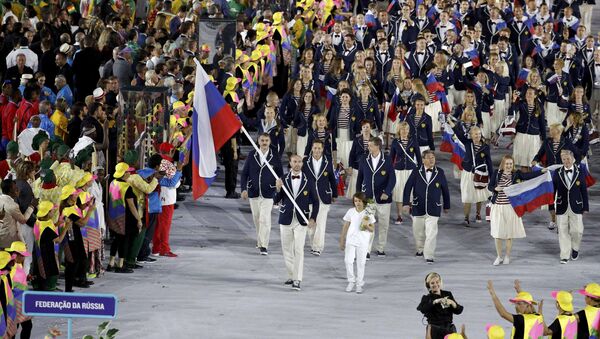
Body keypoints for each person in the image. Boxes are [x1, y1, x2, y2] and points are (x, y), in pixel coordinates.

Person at [488, 155, 545, 265]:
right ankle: (499, 256)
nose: (509, 166)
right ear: (503, 164)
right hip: (498, 207)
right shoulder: (496, 173)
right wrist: (495, 188)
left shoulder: (516, 174)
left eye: (511, 164)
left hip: (511, 208)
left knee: (509, 234)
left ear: (513, 165)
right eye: (507, 163)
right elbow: (490, 186)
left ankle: (507, 256)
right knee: (497, 233)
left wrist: (542, 171)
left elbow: (529, 175)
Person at [274, 155, 319, 291]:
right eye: (295, 162)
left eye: (299, 162)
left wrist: (313, 218)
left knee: (298, 249)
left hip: (301, 220)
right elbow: (276, 200)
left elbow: (316, 202)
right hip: (285, 218)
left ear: (302, 163)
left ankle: (297, 279)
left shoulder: (309, 181)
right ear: (290, 163)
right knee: (287, 249)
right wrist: (277, 189)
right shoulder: (283, 179)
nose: (297, 164)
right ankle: (291, 274)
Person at [240, 134, 284, 255]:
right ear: (258, 141)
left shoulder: (274, 156)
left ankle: (264, 246)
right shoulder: (251, 155)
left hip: (269, 193)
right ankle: (260, 241)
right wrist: (243, 189)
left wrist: (280, 184)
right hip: (253, 192)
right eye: (262, 140)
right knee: (257, 219)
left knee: (265, 219)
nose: (264, 142)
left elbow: (280, 174)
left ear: (270, 142)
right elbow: (244, 174)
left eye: (266, 140)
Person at [403, 150, 450, 264]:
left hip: (434, 208)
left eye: (433, 157)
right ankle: (420, 249)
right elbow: (407, 187)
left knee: (431, 233)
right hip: (418, 207)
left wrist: (446, 205)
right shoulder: (416, 171)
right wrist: (405, 203)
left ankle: (429, 255)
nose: (431, 160)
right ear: (423, 160)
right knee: (418, 232)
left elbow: (445, 190)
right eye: (428, 158)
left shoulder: (440, 172)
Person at [356, 137, 395, 257]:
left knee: (384, 224)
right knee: (366, 224)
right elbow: (360, 177)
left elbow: (392, 179)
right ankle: (366, 249)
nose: (368, 147)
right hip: (368, 198)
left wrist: (387, 192)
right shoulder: (364, 159)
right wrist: (358, 196)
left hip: (383, 199)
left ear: (377, 146)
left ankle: (381, 248)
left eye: (370, 145)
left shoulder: (387, 160)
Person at [449, 122, 493, 226]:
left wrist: (492, 178)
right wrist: (451, 122)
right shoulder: (467, 143)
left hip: (480, 174)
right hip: (468, 173)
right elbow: (458, 133)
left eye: (479, 134)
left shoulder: (485, 147)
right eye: (475, 134)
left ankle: (478, 214)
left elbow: (489, 163)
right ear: (471, 135)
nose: (477, 136)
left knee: (479, 195)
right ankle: (466, 217)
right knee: (467, 195)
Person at [552, 150, 589, 264]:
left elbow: (584, 191)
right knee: (562, 231)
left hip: (576, 205)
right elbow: (552, 191)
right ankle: (564, 255)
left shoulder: (580, 172)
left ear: (573, 159)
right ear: (561, 160)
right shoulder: (557, 172)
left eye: (568, 159)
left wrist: (585, 207)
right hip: (561, 205)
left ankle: (575, 248)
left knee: (577, 230)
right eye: (564, 159)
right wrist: (551, 207)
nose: (566, 161)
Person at [303, 140, 337, 256]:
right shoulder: (305, 162)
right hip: (308, 198)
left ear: (322, 149)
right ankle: (313, 243)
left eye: (319, 148)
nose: (317, 150)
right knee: (311, 223)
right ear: (312, 148)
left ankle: (317, 247)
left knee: (321, 223)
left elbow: (332, 178)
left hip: (324, 197)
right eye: (315, 148)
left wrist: (335, 193)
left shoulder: (328, 162)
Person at [339, 192, 374, 294]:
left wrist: (366, 225)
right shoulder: (350, 211)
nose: (357, 203)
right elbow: (345, 226)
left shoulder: (368, 213)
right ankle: (351, 281)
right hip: (351, 240)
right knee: (348, 260)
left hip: (363, 240)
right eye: (355, 201)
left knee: (361, 263)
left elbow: (372, 229)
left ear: (363, 202)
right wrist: (342, 239)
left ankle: (359, 284)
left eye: (359, 201)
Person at [389, 121, 421, 225]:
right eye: (402, 129)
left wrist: (420, 170)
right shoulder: (395, 142)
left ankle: (411, 210)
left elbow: (419, 158)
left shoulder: (413, 141)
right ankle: (399, 215)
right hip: (398, 170)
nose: (404, 131)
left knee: (411, 192)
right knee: (399, 193)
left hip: (411, 170)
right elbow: (391, 158)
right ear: (399, 130)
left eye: (406, 129)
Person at [417, 272, 463, 339]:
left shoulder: (447, 294)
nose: (435, 284)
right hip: (435, 329)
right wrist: (435, 302)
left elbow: (459, 311)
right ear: (428, 285)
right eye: (432, 283)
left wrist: (452, 303)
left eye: (437, 282)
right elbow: (423, 309)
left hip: (449, 328)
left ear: (440, 282)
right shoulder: (427, 298)